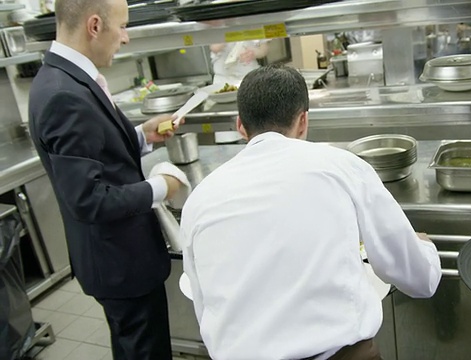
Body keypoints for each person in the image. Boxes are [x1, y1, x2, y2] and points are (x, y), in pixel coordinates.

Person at [180, 64, 442, 360]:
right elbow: (417, 278)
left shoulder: (200, 197)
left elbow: (204, 305)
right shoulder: (342, 166)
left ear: (240, 126)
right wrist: (425, 249)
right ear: (303, 121)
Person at [28, 0, 183, 359]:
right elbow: (89, 199)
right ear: (94, 26)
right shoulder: (63, 95)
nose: (126, 38)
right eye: (123, 26)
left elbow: (98, 151)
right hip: (118, 261)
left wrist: (143, 136)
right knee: (144, 350)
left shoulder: (68, 76)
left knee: (135, 345)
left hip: (118, 255)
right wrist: (162, 187)